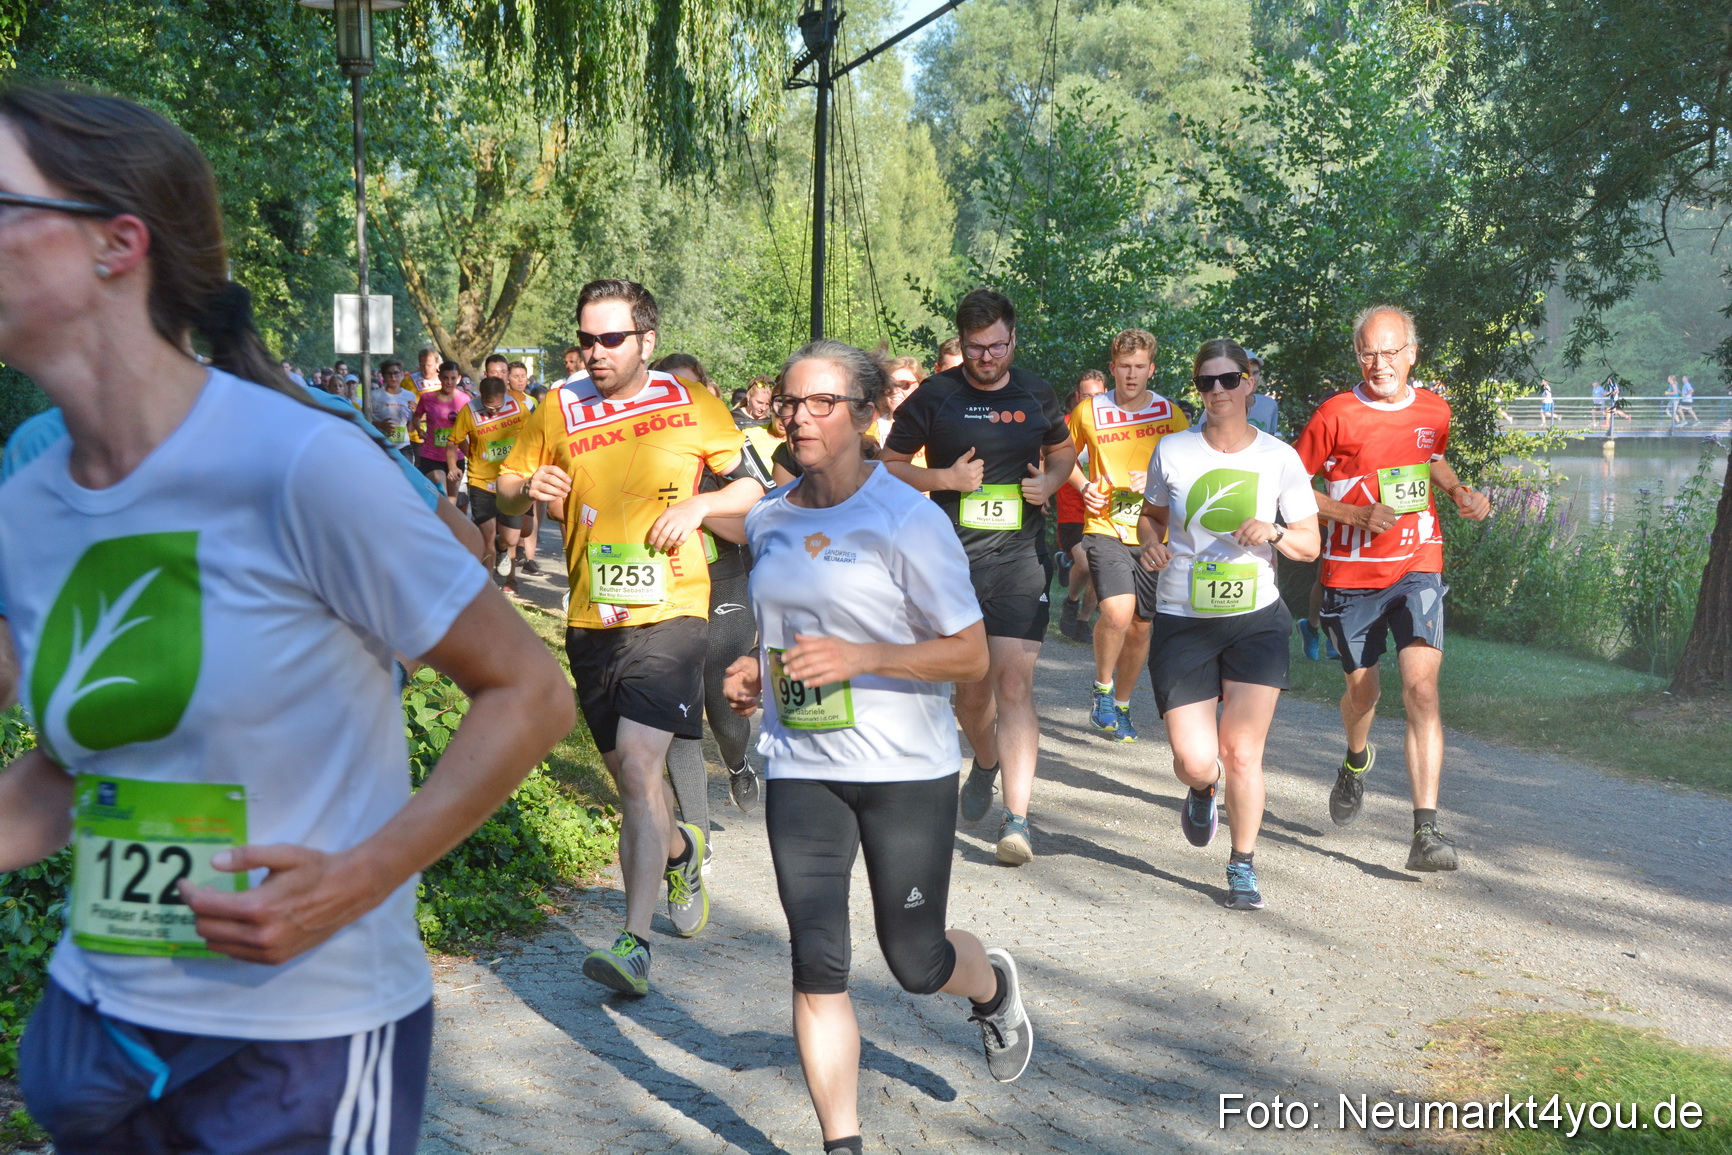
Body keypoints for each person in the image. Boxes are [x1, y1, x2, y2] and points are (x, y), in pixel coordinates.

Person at [0, 83, 571, 1152]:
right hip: (103, 1040)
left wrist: (357, 879)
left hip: (299, 1048)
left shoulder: (299, 463)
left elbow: (530, 695)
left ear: (115, 245)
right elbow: (71, 777)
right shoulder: (26, 503)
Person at [722, 339, 1032, 1153]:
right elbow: (786, 620)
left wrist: (862, 657)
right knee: (816, 958)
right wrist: (758, 667)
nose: (800, 416)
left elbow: (969, 653)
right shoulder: (771, 515)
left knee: (915, 961)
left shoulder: (908, 519)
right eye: (791, 401)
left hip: (904, 770)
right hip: (803, 768)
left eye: (822, 401)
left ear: (866, 416)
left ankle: (993, 988)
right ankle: (842, 1142)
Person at [497, 279, 769, 996]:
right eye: (585, 338)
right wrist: (529, 490)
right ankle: (681, 850)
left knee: (645, 769)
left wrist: (704, 502)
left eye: (610, 339)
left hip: (675, 613)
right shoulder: (558, 404)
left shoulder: (691, 402)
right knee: (630, 780)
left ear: (645, 339)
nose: (595, 352)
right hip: (592, 620)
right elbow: (503, 484)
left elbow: (750, 489)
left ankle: (634, 943)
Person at [880, 289, 1076, 865]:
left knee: (1013, 684)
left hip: (1018, 561)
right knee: (970, 693)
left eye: (997, 347)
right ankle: (985, 760)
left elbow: (1062, 452)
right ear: (960, 345)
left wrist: (1052, 483)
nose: (987, 358)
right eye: (975, 349)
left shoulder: (1035, 392)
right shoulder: (936, 396)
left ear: (1013, 339)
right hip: (948, 563)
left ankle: (1017, 822)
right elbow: (888, 468)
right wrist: (943, 478)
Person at [1293, 305, 1492, 873]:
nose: (1379, 364)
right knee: (1364, 697)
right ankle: (1356, 760)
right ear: (1358, 355)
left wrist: (1458, 491)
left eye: (1390, 352)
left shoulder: (1434, 409)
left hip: (1418, 562)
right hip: (1352, 576)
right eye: (1368, 353)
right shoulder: (1335, 414)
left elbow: (1429, 456)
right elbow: (1290, 488)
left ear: (1411, 355)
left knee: (1422, 692)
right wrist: (1352, 515)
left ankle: (1425, 832)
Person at [1136, 339, 1321, 910]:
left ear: (1249, 383)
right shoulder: (1172, 451)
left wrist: (1276, 533)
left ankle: (1242, 864)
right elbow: (1150, 518)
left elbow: (1310, 546)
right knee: (1195, 759)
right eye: (1205, 382)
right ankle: (1201, 788)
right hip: (1184, 617)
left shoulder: (1279, 457)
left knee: (1242, 751)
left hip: (1255, 618)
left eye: (1227, 379)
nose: (1216, 391)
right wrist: (1151, 546)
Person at [652, 352, 763, 821]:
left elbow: (750, 528)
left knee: (724, 711)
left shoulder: (726, 451)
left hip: (725, 586)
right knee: (680, 716)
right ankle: (698, 834)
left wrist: (697, 509)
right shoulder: (644, 455)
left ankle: (737, 763)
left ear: (708, 391)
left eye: (691, 388)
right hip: (666, 593)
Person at [1065, 330, 1189, 742]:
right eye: (1124, 367)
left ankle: (1121, 704)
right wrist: (1083, 486)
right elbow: (1061, 456)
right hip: (1104, 526)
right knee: (1117, 613)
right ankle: (1101, 689)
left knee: (1140, 626)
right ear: (1113, 366)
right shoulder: (1088, 410)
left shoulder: (1171, 415)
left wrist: (1158, 481)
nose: (1131, 375)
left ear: (1151, 369)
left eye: (1140, 367)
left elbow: (1191, 474)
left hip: (1152, 532)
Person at [449, 374, 535, 582]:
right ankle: (487, 583)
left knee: (513, 537)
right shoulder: (469, 411)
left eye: (497, 408)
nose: (493, 412)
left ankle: (502, 546)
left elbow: (533, 436)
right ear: (481, 396)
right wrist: (453, 465)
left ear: (504, 396)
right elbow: (453, 441)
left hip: (511, 479)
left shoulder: (517, 407)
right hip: (481, 480)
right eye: (489, 407)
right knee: (487, 533)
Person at [1055, 371, 1106, 643]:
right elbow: (1046, 459)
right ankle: (1071, 601)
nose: (1093, 401)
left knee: (1102, 571)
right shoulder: (1064, 425)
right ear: (1077, 397)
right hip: (1073, 509)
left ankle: (1083, 620)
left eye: (1098, 396)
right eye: (1087, 396)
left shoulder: (1114, 427)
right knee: (1086, 565)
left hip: (1105, 511)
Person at [411, 360, 470, 500]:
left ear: (459, 379)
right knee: (441, 491)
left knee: (452, 500)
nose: (449, 382)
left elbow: (471, 427)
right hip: (431, 455)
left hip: (456, 456)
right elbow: (416, 417)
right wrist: (419, 430)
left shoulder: (464, 400)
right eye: (445, 377)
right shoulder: (427, 398)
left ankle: (448, 522)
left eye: (453, 378)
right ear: (439, 377)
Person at [367, 357, 415, 458]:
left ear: (401, 375)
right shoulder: (374, 395)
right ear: (383, 376)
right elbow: (364, 421)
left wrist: (415, 414)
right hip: (381, 447)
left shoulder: (410, 396)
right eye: (389, 374)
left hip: (404, 447)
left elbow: (411, 428)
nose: (393, 377)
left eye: (396, 373)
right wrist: (380, 424)